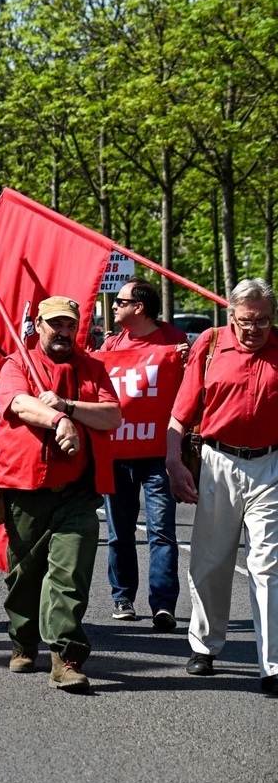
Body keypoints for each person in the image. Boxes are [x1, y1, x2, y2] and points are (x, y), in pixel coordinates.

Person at [0, 296, 121, 692]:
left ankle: (66, 658)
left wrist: (68, 405)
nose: (63, 332)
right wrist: (58, 421)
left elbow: (112, 415)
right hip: (26, 489)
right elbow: (18, 403)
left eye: (70, 325)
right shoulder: (17, 363)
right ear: (39, 325)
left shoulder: (93, 368)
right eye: (55, 324)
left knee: (70, 576)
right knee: (24, 576)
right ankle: (22, 641)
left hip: (79, 493)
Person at [167, 279, 278, 695]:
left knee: (268, 566)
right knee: (211, 562)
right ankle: (205, 645)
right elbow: (180, 414)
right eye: (247, 321)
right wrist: (174, 462)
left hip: (271, 465)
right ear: (231, 316)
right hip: (217, 462)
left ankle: (272, 665)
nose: (254, 330)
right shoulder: (211, 346)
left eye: (264, 322)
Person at [101, 278, 188, 630]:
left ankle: (163, 605)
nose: (113, 306)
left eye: (119, 301)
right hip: (117, 454)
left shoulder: (175, 343)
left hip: (158, 454)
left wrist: (188, 360)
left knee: (162, 531)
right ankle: (123, 595)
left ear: (139, 307)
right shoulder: (110, 345)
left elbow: (195, 386)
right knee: (119, 532)